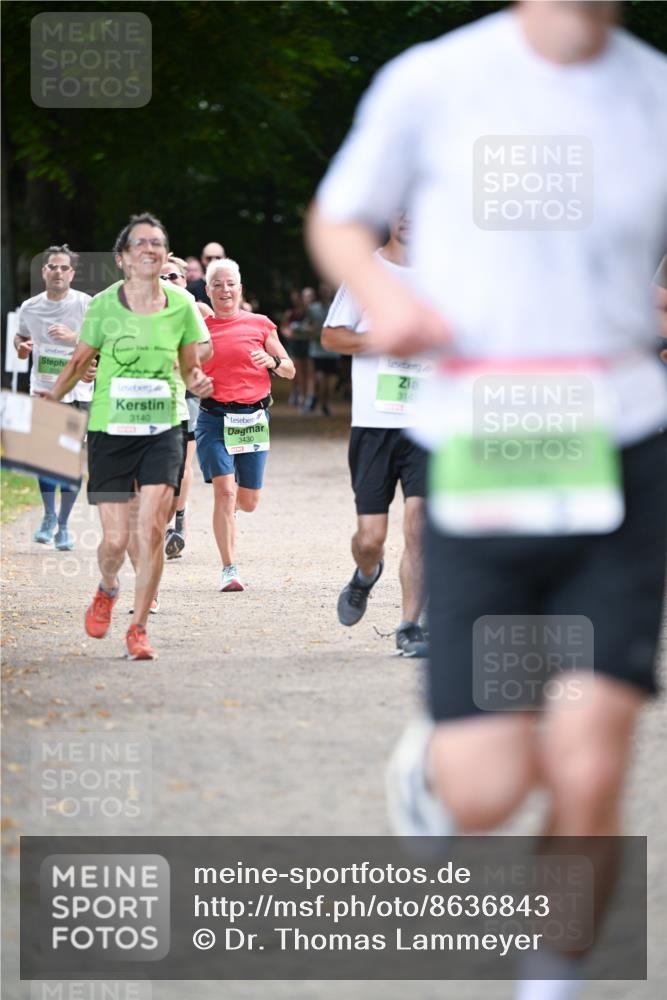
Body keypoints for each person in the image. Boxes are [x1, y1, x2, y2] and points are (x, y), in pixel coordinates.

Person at [308, 2, 667, 997]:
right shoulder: (435, 80)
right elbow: (338, 218)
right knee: (487, 789)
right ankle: (432, 768)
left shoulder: (651, 93)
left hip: (620, 444)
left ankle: (550, 980)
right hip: (484, 438)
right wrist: (386, 299)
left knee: (590, 762)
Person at [42, 212, 213, 660]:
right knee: (116, 540)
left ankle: (138, 628)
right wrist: (51, 401)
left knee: (152, 529)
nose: (150, 248)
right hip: (110, 428)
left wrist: (196, 378)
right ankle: (108, 587)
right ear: (122, 258)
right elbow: (80, 360)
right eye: (141, 242)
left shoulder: (181, 304)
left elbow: (194, 360)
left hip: (163, 427)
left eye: (157, 242)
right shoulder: (102, 305)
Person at [322, 213, 429, 656]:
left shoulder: (448, 270)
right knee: (370, 539)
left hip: (428, 424)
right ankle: (366, 574)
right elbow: (331, 337)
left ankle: (409, 626)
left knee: (420, 526)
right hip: (373, 425)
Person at [195, 258, 295, 592]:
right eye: (218, 285)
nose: (225, 290)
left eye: (230, 284)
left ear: (240, 288)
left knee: (248, 502)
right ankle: (229, 568)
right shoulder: (198, 329)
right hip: (213, 420)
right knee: (224, 491)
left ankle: (229, 511)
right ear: (208, 290)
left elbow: (290, 369)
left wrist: (273, 361)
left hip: (252, 419)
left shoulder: (260, 324)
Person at [15, 244, 95, 551]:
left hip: (78, 393)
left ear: (72, 273)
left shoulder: (86, 304)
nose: (58, 272)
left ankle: (63, 525)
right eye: (53, 267)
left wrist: (74, 339)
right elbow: (21, 336)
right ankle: (49, 516)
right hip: (44, 390)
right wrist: (21, 347)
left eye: (64, 267)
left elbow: (100, 341)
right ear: (44, 271)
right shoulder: (30, 307)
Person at [159, 255, 213, 561]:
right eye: (161, 276)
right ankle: (161, 521)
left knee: (181, 464)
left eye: (173, 277)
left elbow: (213, 349)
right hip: (153, 396)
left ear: (185, 280)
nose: (167, 282)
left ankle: (178, 519)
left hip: (188, 393)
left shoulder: (197, 308)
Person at [306, 283, 339, 417]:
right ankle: (317, 398)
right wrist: (311, 330)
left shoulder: (336, 307)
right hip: (317, 349)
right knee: (320, 377)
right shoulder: (312, 308)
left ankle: (324, 402)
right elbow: (307, 325)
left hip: (331, 350)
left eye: (327, 291)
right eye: (323, 291)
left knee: (328, 380)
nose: (325, 293)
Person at [186, 241, 226, 307]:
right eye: (209, 258)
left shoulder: (233, 286)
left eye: (218, 258)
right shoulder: (192, 289)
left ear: (224, 258)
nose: (213, 261)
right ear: (202, 259)